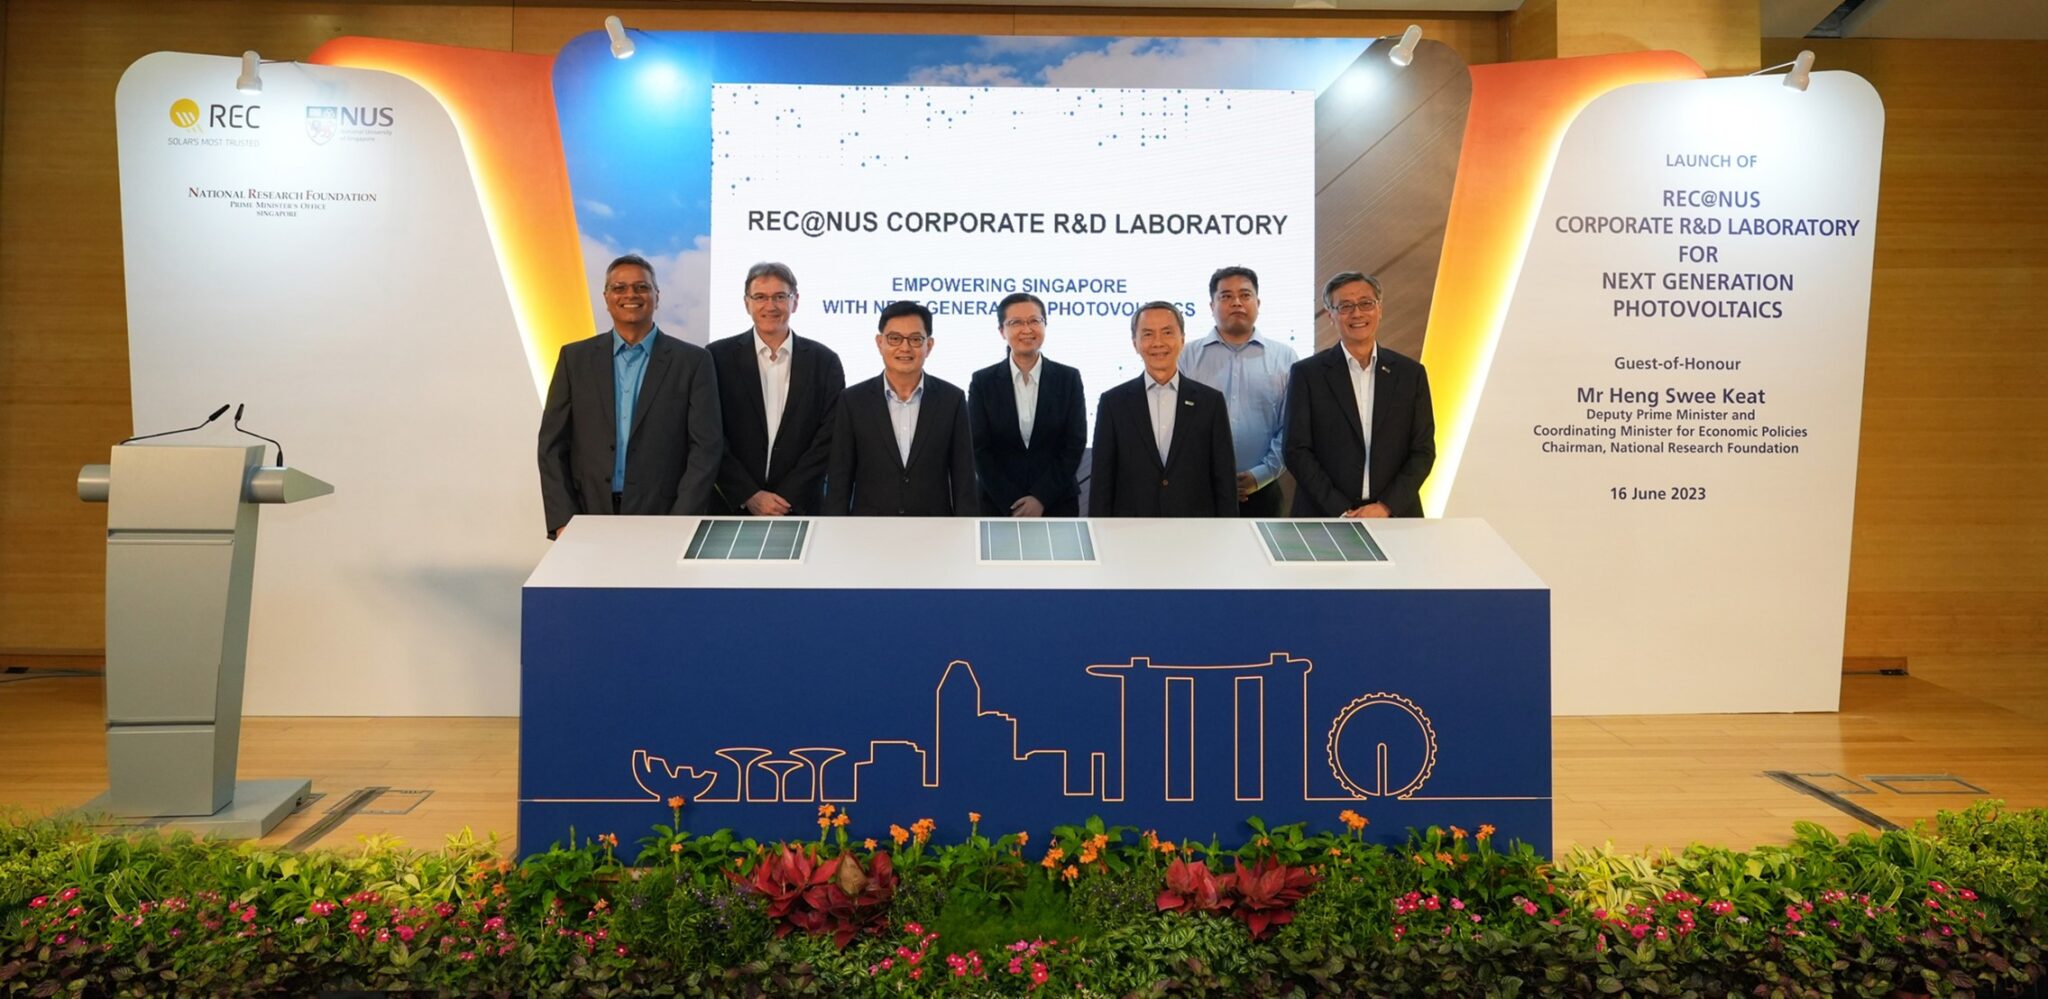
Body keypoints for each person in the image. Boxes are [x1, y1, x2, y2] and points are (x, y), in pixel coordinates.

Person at [537, 254, 723, 539]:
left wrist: (681, 520)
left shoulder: (693, 362)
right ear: (606, 298)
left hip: (665, 518)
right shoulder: (574, 359)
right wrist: (563, 520)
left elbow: (705, 448)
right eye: (619, 288)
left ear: (657, 297)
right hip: (587, 515)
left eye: (641, 287)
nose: (630, 295)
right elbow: (552, 445)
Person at [1284, 271, 1435, 518]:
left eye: (1366, 303)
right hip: (1325, 515)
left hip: (1395, 516)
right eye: (1345, 306)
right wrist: (1340, 509)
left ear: (1379, 309)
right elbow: (1296, 450)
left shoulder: (1410, 374)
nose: (1357, 313)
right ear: (1330, 315)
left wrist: (1386, 506)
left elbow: (1423, 450)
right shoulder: (1307, 374)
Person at [708, 262, 845, 516]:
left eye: (780, 297)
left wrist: (787, 497)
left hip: (800, 507)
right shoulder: (716, 357)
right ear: (747, 303)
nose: (770, 306)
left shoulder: (825, 362)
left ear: (795, 301)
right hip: (731, 507)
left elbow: (829, 437)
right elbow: (709, 434)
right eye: (760, 297)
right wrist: (748, 495)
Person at [824, 301, 976, 516]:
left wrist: (966, 528)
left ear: (929, 345)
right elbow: (839, 477)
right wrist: (835, 527)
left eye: (915, 339)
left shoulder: (952, 399)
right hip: (869, 526)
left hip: (935, 526)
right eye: (894, 338)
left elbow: (964, 478)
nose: (905, 348)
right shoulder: (852, 401)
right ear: (880, 343)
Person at [1089, 302, 1236, 517]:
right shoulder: (1113, 403)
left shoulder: (1210, 402)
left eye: (1167, 332)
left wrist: (1228, 529)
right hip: (1130, 527)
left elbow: (1224, 480)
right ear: (1135, 343)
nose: (1158, 342)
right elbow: (1102, 481)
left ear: (1182, 339)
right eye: (1148, 334)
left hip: (1196, 528)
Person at [1179, 266, 1297, 517]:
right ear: (1211, 306)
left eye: (1245, 295)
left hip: (1263, 491)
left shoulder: (1285, 358)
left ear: (1258, 303)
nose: (1236, 302)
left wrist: (1261, 475)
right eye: (1226, 296)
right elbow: (1175, 426)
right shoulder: (1186, 357)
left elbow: (1292, 427)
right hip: (1198, 490)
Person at [966, 292, 1086, 517]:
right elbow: (978, 448)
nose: (1027, 329)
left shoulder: (1068, 378)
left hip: (1057, 503)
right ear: (1002, 331)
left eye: (1034, 321)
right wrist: (1012, 502)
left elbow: (1074, 443)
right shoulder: (982, 382)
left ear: (1045, 325)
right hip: (997, 505)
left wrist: (1041, 498)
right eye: (1016, 323)